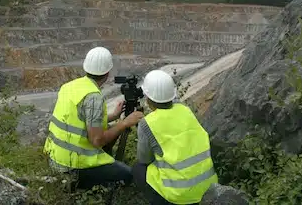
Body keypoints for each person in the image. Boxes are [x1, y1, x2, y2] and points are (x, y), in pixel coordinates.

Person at [43, 46, 144, 189]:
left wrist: (113, 116)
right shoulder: (93, 97)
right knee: (129, 174)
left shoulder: (70, 86)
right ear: (107, 72)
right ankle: (104, 190)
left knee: (108, 129)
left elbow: (79, 120)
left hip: (56, 157)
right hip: (73, 166)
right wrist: (124, 123)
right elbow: (97, 141)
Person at [132, 70, 218, 205]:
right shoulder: (185, 111)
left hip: (179, 196)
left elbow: (144, 159)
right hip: (209, 186)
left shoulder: (147, 123)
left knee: (138, 168)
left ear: (148, 98)